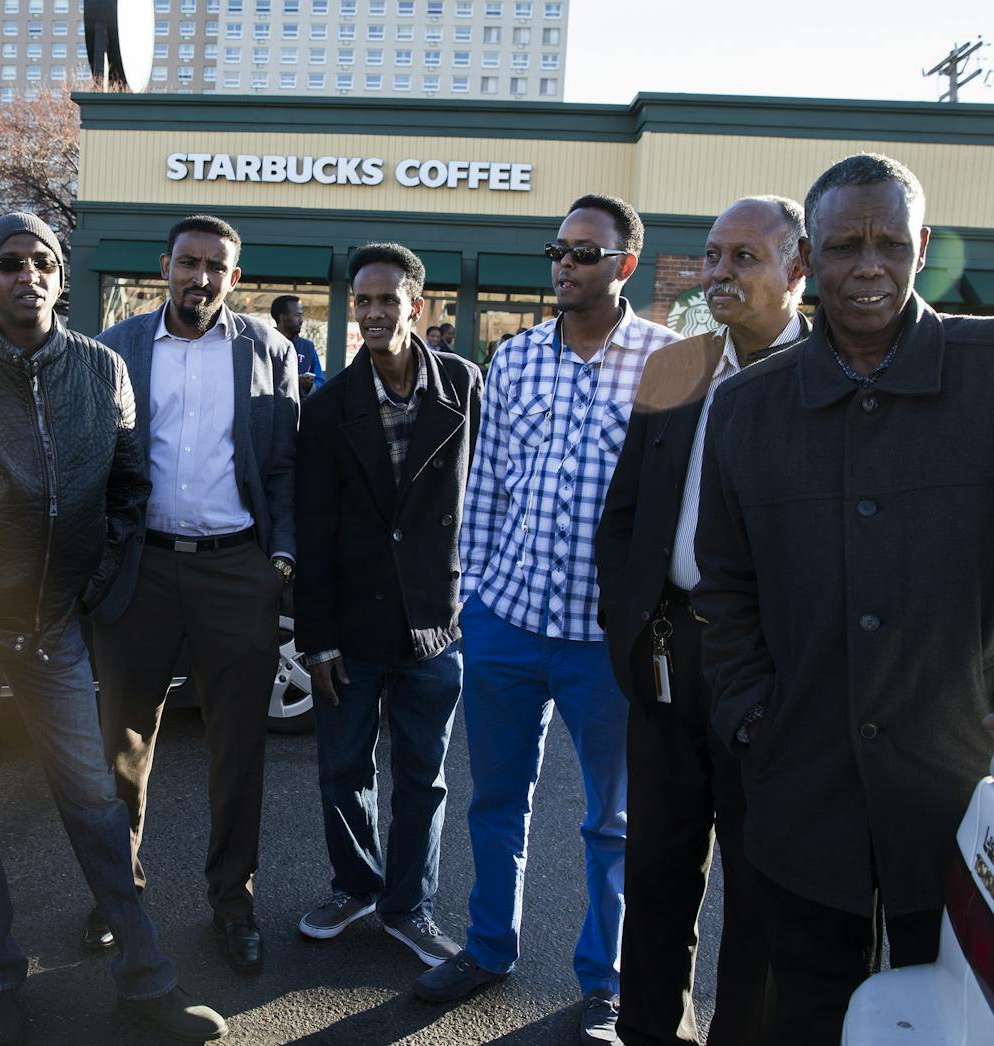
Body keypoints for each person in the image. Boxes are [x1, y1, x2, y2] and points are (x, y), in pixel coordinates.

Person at [0, 214, 227, 1046]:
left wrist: (92, 584)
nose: (25, 275)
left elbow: (129, 492)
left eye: (41, 263)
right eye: (7, 265)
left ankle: (146, 981)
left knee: (98, 807)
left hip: (54, 627)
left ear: (62, 277)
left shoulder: (103, 372)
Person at [695, 153, 994, 1045]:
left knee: (950, 1015)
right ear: (806, 260)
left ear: (923, 247)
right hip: (803, 783)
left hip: (957, 785)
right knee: (807, 1009)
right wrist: (753, 716)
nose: (870, 266)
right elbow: (726, 584)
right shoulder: (748, 408)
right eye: (845, 245)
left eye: (891, 244)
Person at [417, 194, 680, 1046]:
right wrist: (476, 596)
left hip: (608, 643)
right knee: (495, 800)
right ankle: (489, 948)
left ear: (626, 265)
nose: (565, 263)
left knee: (613, 821)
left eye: (586, 252)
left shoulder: (669, 363)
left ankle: (604, 983)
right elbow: (486, 487)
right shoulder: (518, 358)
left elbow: (681, 506)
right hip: (509, 626)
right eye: (557, 249)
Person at [594, 196, 810, 1046]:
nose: (719, 273)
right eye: (714, 256)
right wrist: (626, 626)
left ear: (797, 270)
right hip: (666, 655)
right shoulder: (676, 366)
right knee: (654, 869)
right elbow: (626, 514)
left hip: (774, 669)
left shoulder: (828, 376)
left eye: (743, 258)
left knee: (761, 888)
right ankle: (652, 1031)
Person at [89, 214, 299, 974]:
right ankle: (116, 894)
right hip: (142, 570)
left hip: (234, 570)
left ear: (234, 278)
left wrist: (278, 560)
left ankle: (232, 901)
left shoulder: (269, 350)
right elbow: (97, 462)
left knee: (237, 748)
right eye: (189, 262)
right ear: (166, 265)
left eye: (216, 266)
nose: (200, 277)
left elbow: (282, 466)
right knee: (121, 746)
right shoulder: (119, 348)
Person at [293, 243, 482, 968]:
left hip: (438, 621)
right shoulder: (329, 404)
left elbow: (490, 498)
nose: (373, 313)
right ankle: (356, 885)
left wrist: (476, 595)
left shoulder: (464, 385)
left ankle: (409, 906)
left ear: (417, 306)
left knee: (422, 779)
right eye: (362, 301)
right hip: (351, 623)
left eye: (387, 300)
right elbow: (313, 529)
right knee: (343, 769)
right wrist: (318, 638)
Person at [271, 293, 326, 395]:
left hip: (300, 408)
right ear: (283, 317)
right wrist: (293, 381)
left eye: (301, 315)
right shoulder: (264, 344)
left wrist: (309, 386)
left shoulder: (308, 347)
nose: (301, 320)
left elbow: (320, 382)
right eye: (297, 315)